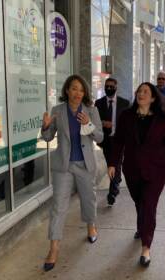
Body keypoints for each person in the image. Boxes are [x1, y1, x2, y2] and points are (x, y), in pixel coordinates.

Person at [108, 82, 165, 267]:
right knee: (139, 202)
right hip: (132, 169)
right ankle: (142, 227)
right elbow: (118, 142)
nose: (141, 94)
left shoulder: (162, 118)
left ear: (153, 97)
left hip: (156, 171)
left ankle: (146, 247)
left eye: (145, 92)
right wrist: (112, 163)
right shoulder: (126, 116)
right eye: (139, 91)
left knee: (149, 205)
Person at [41, 74, 103, 271]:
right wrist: (45, 126)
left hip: (85, 164)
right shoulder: (57, 111)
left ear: (84, 93)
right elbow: (48, 137)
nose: (77, 93)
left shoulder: (91, 111)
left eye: (81, 89)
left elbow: (100, 137)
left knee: (88, 199)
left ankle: (91, 224)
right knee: (58, 206)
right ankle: (54, 247)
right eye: (74, 88)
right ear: (67, 90)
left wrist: (88, 124)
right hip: (64, 166)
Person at [95, 78, 130, 206]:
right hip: (106, 140)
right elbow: (94, 121)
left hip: (119, 139)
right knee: (111, 163)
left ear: (116, 87)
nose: (109, 88)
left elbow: (130, 122)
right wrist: (103, 123)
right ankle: (117, 180)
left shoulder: (124, 103)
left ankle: (112, 192)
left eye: (111, 86)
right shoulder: (98, 103)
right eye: (107, 86)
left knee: (117, 163)